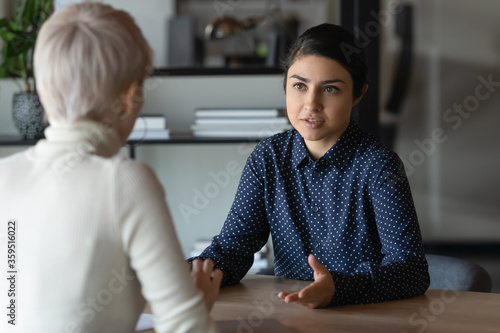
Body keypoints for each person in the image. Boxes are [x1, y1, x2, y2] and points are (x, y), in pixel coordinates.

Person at [0, 3, 221, 333]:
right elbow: (186, 327)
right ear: (131, 97)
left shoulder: (5, 174)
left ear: (43, 92)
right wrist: (196, 307)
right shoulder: (124, 180)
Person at [189, 23, 430, 308]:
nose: (311, 104)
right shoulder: (268, 158)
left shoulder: (378, 165)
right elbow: (233, 250)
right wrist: (181, 274)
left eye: (330, 89)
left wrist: (339, 288)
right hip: (290, 313)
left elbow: (411, 270)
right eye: (299, 86)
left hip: (363, 316)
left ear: (358, 95)